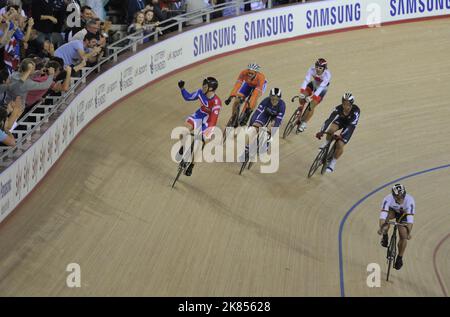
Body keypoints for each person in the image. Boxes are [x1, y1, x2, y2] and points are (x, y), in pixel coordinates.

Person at [177, 77, 221, 177]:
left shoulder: (216, 102)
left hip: (208, 122)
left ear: (210, 88)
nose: (202, 87)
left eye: (205, 86)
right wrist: (182, 88)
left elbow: (213, 119)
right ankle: (183, 146)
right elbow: (188, 97)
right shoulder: (200, 92)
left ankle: (191, 166)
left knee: (201, 144)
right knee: (183, 131)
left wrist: (206, 135)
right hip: (198, 115)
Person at [315, 92, 360, 173]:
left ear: (351, 105)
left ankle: (333, 162)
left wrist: (341, 136)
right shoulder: (338, 108)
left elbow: (350, 127)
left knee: (340, 144)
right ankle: (326, 142)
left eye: (347, 104)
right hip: (341, 121)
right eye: (343, 103)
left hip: (350, 126)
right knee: (330, 130)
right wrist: (321, 131)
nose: (344, 106)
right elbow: (329, 120)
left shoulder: (355, 112)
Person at [377, 184, 415, 270]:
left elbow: (410, 220)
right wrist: (381, 228)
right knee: (386, 223)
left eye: (402, 197)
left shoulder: (410, 201)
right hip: (392, 212)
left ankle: (399, 258)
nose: (400, 199)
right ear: (393, 196)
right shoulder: (387, 199)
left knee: (403, 235)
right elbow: (383, 216)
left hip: (404, 214)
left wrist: (408, 233)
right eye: (397, 197)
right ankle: (385, 236)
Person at [245, 87, 285, 159]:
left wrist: (271, 134)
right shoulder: (266, 100)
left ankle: (266, 143)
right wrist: (251, 124)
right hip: (265, 114)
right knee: (254, 129)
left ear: (279, 99)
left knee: (272, 127)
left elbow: (278, 121)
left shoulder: (282, 105)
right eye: (272, 99)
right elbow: (257, 113)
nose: (274, 101)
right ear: (270, 97)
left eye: (276, 99)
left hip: (275, 117)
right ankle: (246, 149)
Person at [224, 63, 267, 127]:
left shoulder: (261, 77)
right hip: (248, 84)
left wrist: (249, 108)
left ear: (256, 73)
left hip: (258, 87)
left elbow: (255, 95)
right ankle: (234, 117)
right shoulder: (243, 73)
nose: (249, 75)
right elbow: (237, 85)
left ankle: (247, 115)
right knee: (237, 100)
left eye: (251, 74)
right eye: (249, 73)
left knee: (252, 100)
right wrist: (230, 97)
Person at [296, 58, 331, 133]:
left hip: (322, 90)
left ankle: (304, 123)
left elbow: (321, 88)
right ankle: (300, 111)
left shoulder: (327, 75)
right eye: (317, 67)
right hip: (313, 84)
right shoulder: (312, 69)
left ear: (324, 69)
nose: (318, 69)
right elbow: (306, 80)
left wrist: (312, 97)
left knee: (311, 105)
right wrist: (302, 92)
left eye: (320, 68)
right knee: (301, 98)